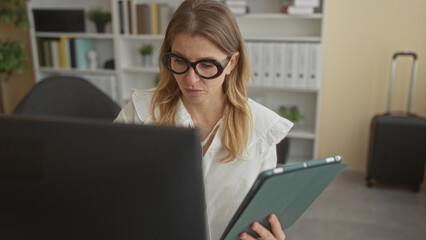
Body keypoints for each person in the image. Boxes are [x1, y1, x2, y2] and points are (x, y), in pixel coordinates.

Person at [114, 0, 293, 239]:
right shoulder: (138, 114)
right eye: (179, 61)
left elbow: (260, 218)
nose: (190, 80)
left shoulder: (260, 128)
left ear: (232, 62)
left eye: (207, 65)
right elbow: (108, 194)